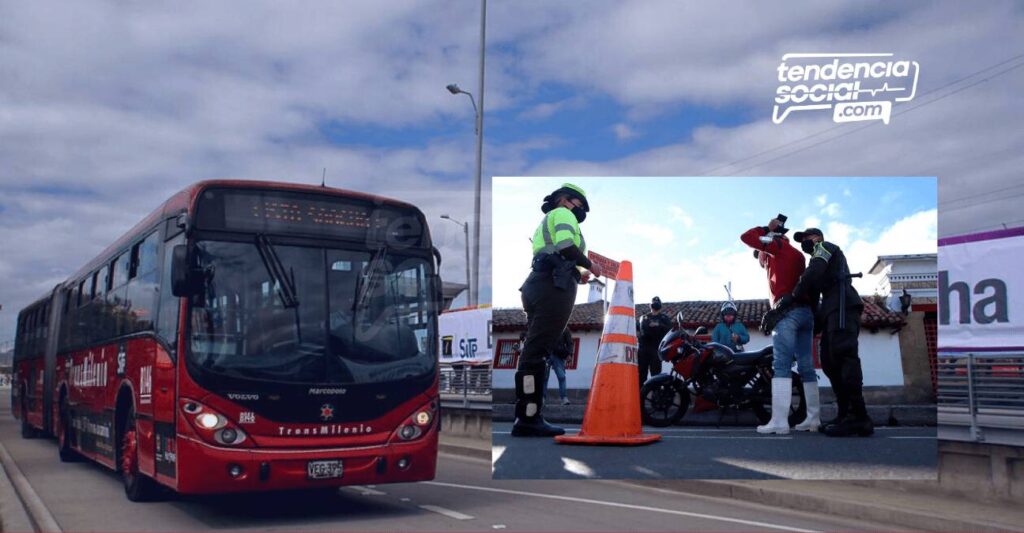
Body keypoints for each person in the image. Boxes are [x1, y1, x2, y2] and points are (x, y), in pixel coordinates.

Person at [513, 183, 602, 437]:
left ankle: (529, 415)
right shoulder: (562, 214)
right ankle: (528, 418)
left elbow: (557, 251)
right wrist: (590, 265)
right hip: (552, 285)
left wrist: (578, 272)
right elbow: (565, 245)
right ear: (564, 199)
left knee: (535, 350)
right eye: (580, 204)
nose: (581, 210)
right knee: (536, 353)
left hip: (541, 282)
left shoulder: (549, 218)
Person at [741, 217, 820, 434]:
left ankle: (779, 422)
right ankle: (813, 419)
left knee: (781, 365)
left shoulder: (777, 246)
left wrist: (769, 228)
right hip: (806, 314)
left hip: (787, 313)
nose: (761, 259)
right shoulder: (798, 256)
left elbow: (746, 237)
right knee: (806, 367)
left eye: (761, 255)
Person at [790, 228, 873, 437]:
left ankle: (859, 416)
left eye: (807, 238)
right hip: (830, 310)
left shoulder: (824, 248)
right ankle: (845, 414)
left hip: (843, 305)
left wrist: (795, 293)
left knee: (844, 355)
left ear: (817, 237)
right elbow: (816, 290)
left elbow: (814, 272)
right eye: (802, 240)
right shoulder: (817, 260)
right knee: (828, 360)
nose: (805, 243)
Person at [638, 296, 672, 389]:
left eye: (657, 304)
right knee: (641, 374)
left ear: (660, 306)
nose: (655, 306)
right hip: (644, 349)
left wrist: (658, 325)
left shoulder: (664, 318)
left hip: (656, 349)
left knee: (656, 375)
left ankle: (655, 396)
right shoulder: (644, 317)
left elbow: (669, 330)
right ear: (650, 306)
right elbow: (643, 331)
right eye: (653, 304)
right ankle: (640, 398)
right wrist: (656, 328)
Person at [545, 327, 573, 405]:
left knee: (562, 377)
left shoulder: (565, 328)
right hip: (546, 354)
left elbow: (569, 342)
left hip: (559, 355)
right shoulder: (545, 325)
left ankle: (564, 398)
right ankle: (542, 398)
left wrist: (569, 354)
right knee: (544, 377)